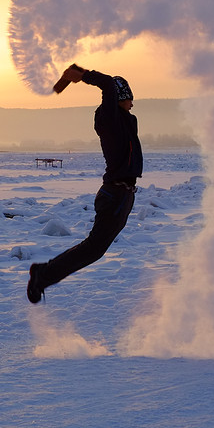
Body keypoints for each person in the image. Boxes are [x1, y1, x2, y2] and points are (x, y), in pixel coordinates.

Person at [27, 64, 143, 303]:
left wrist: (76, 72)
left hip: (123, 195)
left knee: (95, 249)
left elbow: (121, 103)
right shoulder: (109, 119)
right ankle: (43, 275)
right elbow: (109, 85)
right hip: (115, 194)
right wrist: (84, 76)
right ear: (122, 97)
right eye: (130, 98)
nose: (132, 104)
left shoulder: (126, 121)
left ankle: (44, 274)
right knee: (93, 248)